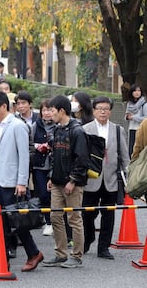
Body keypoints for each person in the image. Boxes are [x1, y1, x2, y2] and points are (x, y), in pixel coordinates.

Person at [0, 91, 43, 272]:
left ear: (4, 106)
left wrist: (22, 182)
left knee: (16, 221)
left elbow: (24, 156)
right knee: (2, 221)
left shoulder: (17, 125)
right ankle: (5, 257)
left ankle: (33, 253)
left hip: (12, 181)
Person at [42, 95, 88, 268]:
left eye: (52, 110)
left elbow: (82, 159)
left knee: (74, 219)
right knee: (55, 217)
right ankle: (60, 254)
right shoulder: (57, 129)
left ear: (62, 111)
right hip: (57, 181)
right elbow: (53, 156)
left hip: (72, 184)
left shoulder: (77, 130)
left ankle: (76, 256)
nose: (49, 113)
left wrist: (73, 180)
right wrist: (51, 177)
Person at [82, 96, 130, 259]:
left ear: (110, 111)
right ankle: (88, 239)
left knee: (108, 215)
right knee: (87, 214)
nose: (103, 111)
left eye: (106, 108)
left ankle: (104, 247)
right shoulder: (85, 129)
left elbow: (124, 156)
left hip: (111, 180)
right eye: (99, 108)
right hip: (90, 179)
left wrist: (127, 177)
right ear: (94, 110)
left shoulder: (118, 130)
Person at [32, 99, 56, 236]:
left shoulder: (58, 126)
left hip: (55, 165)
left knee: (56, 195)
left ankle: (57, 222)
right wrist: (38, 146)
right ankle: (48, 222)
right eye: (44, 110)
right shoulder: (36, 125)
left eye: (50, 110)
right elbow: (29, 143)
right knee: (43, 194)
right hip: (39, 165)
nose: (47, 113)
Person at [125, 84, 147, 156]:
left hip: (141, 130)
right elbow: (126, 116)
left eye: (139, 91)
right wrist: (127, 117)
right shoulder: (129, 104)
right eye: (135, 91)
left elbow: (145, 118)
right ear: (131, 92)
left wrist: (133, 117)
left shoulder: (144, 104)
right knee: (131, 151)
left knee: (139, 151)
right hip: (132, 129)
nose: (137, 92)